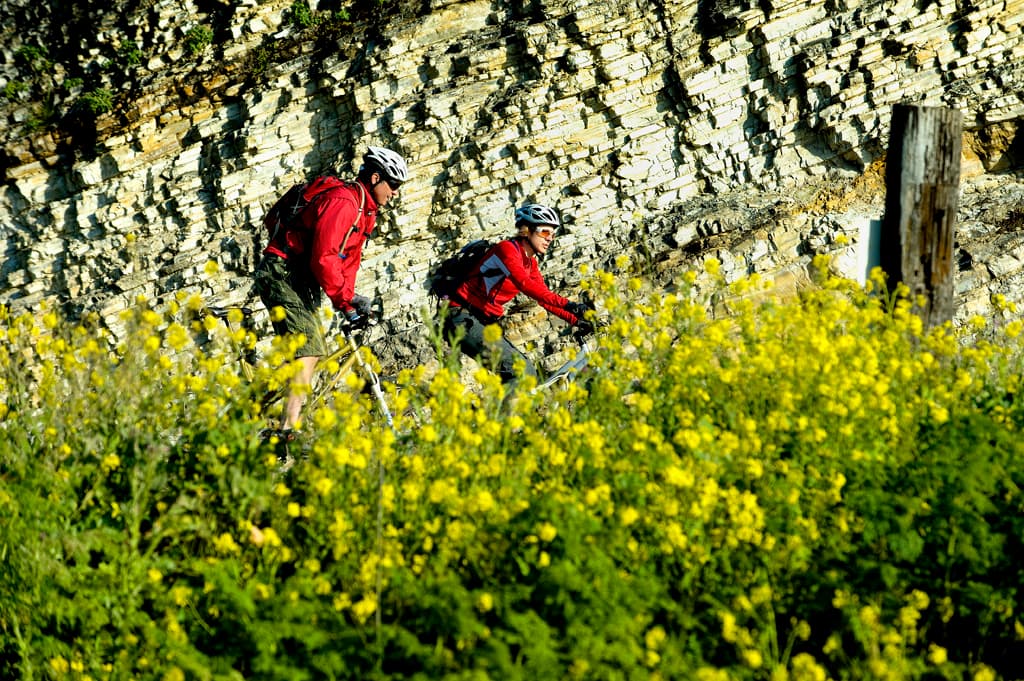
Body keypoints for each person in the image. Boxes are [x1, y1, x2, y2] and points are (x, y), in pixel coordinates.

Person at [254, 145, 409, 440]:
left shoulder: (366, 212)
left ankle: (262, 404)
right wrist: (342, 302)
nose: (396, 193)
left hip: (298, 277)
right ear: (376, 178)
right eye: (394, 185)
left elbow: (346, 263)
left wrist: (350, 298)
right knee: (310, 347)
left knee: (305, 349)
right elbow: (323, 257)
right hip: (281, 270)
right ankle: (287, 432)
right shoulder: (344, 202)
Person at [443, 203, 594, 384]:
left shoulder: (531, 264)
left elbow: (544, 298)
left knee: (527, 375)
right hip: (461, 317)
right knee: (522, 373)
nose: (550, 239)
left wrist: (576, 320)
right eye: (545, 232)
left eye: (553, 234)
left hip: (483, 322)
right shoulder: (507, 250)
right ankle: (499, 412)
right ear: (527, 230)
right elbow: (525, 285)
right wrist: (571, 305)